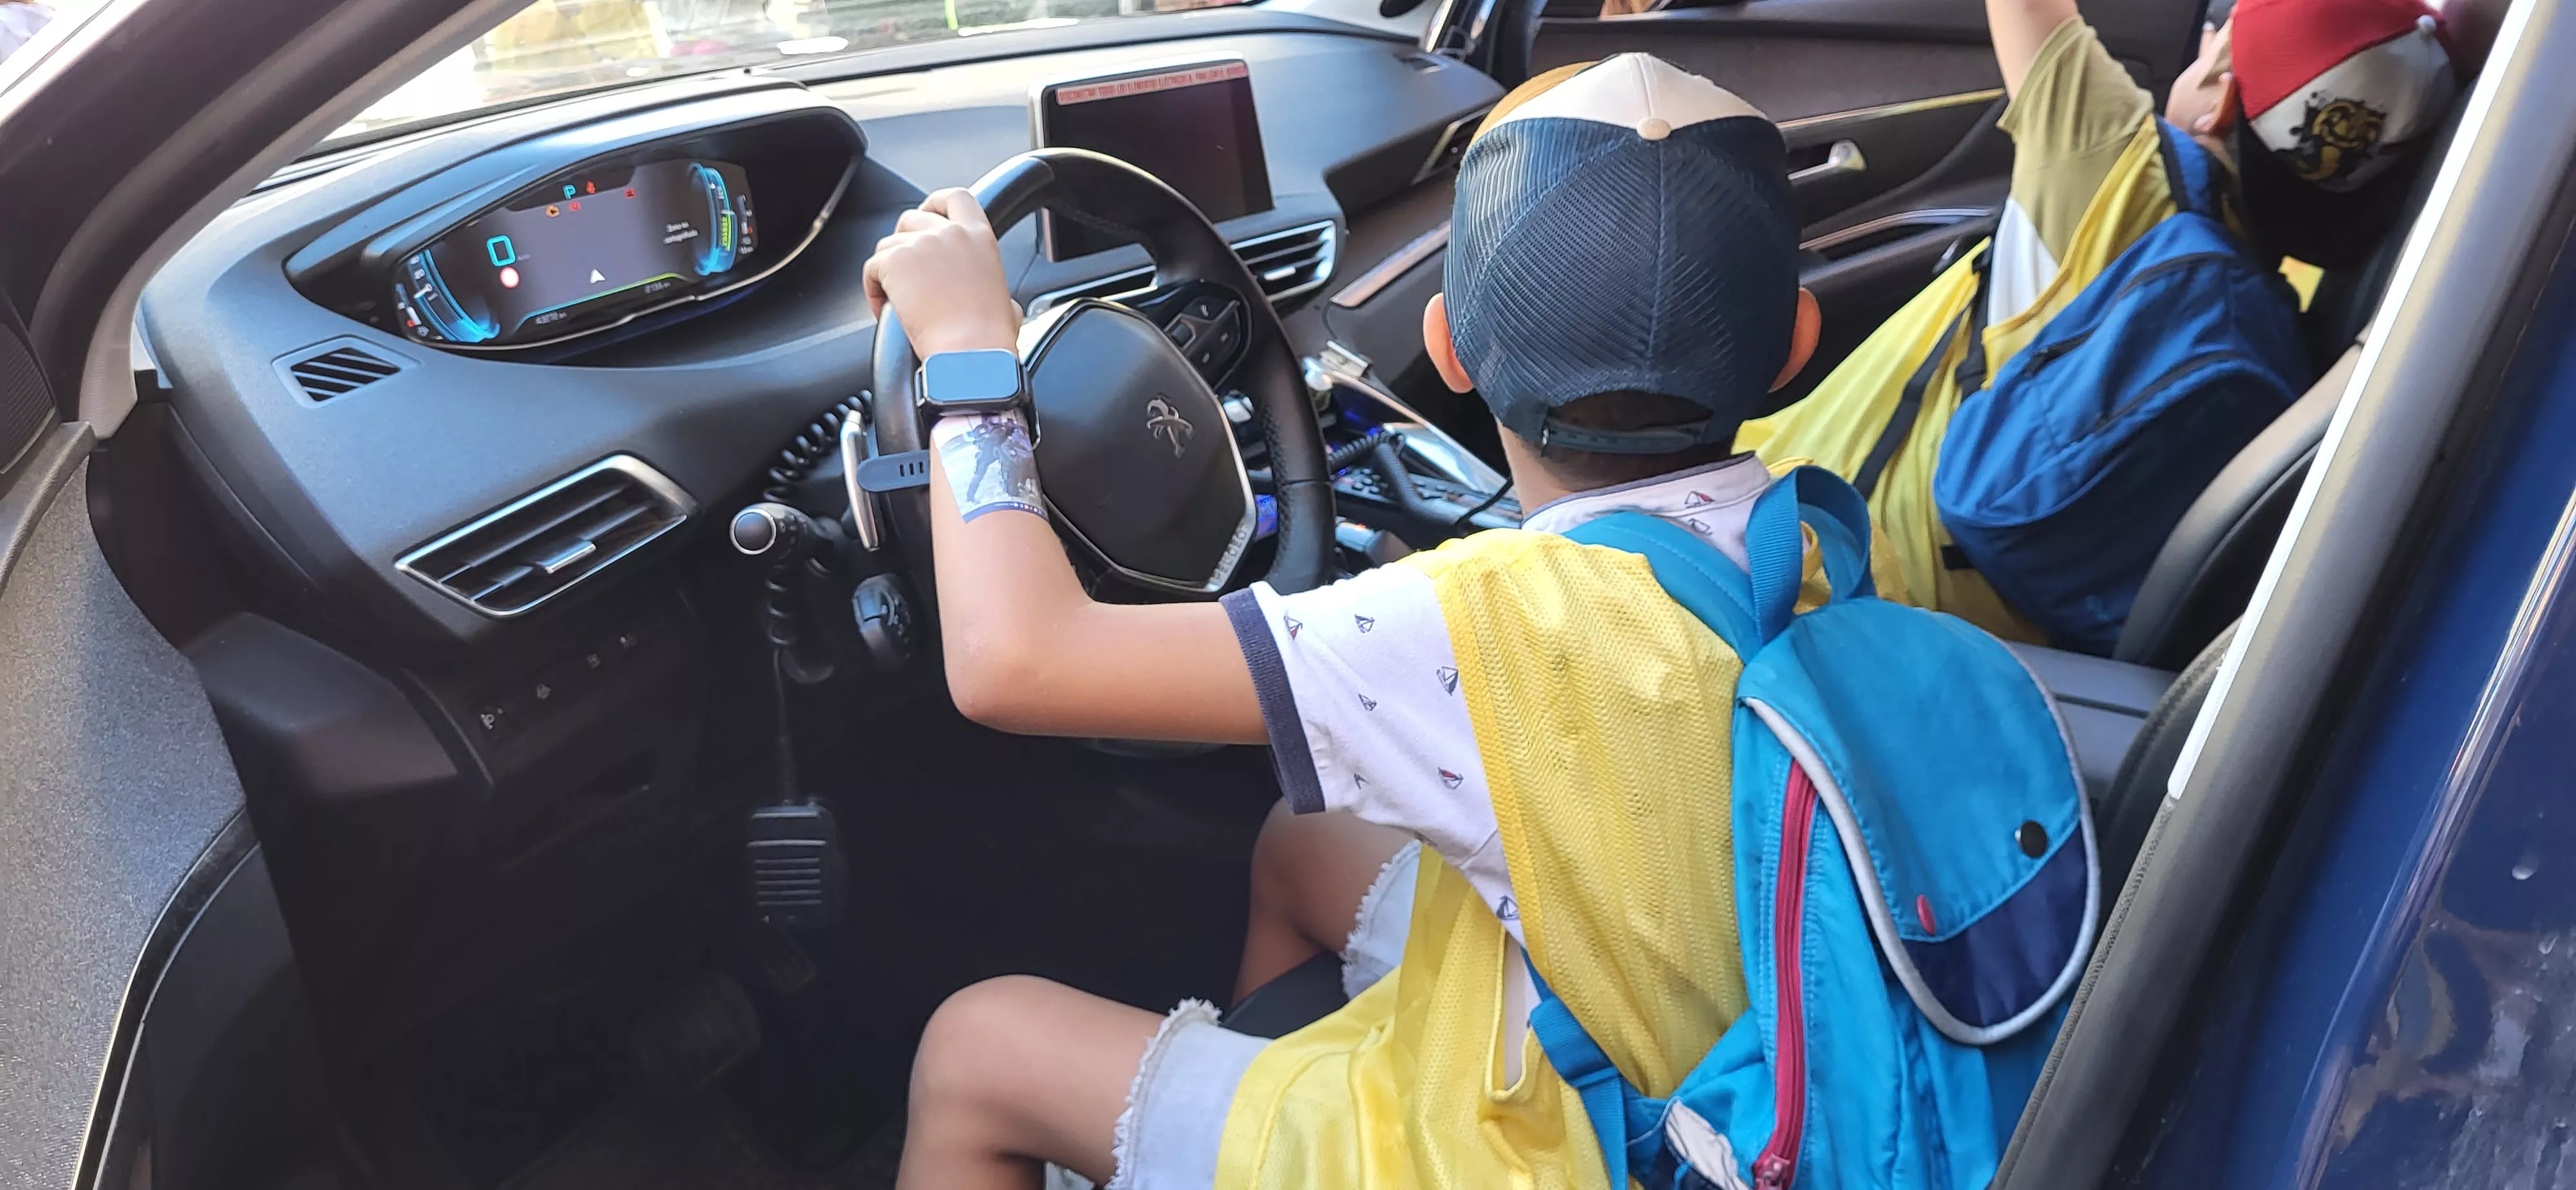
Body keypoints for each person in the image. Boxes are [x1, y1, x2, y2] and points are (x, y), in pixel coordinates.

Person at [864, 53, 1831, 1190]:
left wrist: (973, 356)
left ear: (1450, 350)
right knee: (1301, 837)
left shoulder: (1474, 624)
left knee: (977, 1046)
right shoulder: (1804, 534)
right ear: (1795, 345)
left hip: (1553, 1146)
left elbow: (1008, 660)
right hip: (1703, 1031)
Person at [1736, 0, 2463, 641]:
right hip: (1972, 647)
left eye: (2217, 41)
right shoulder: (2282, 341)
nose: (2206, 36)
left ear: (2217, 99)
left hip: (1789, 565)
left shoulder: (2118, 160)